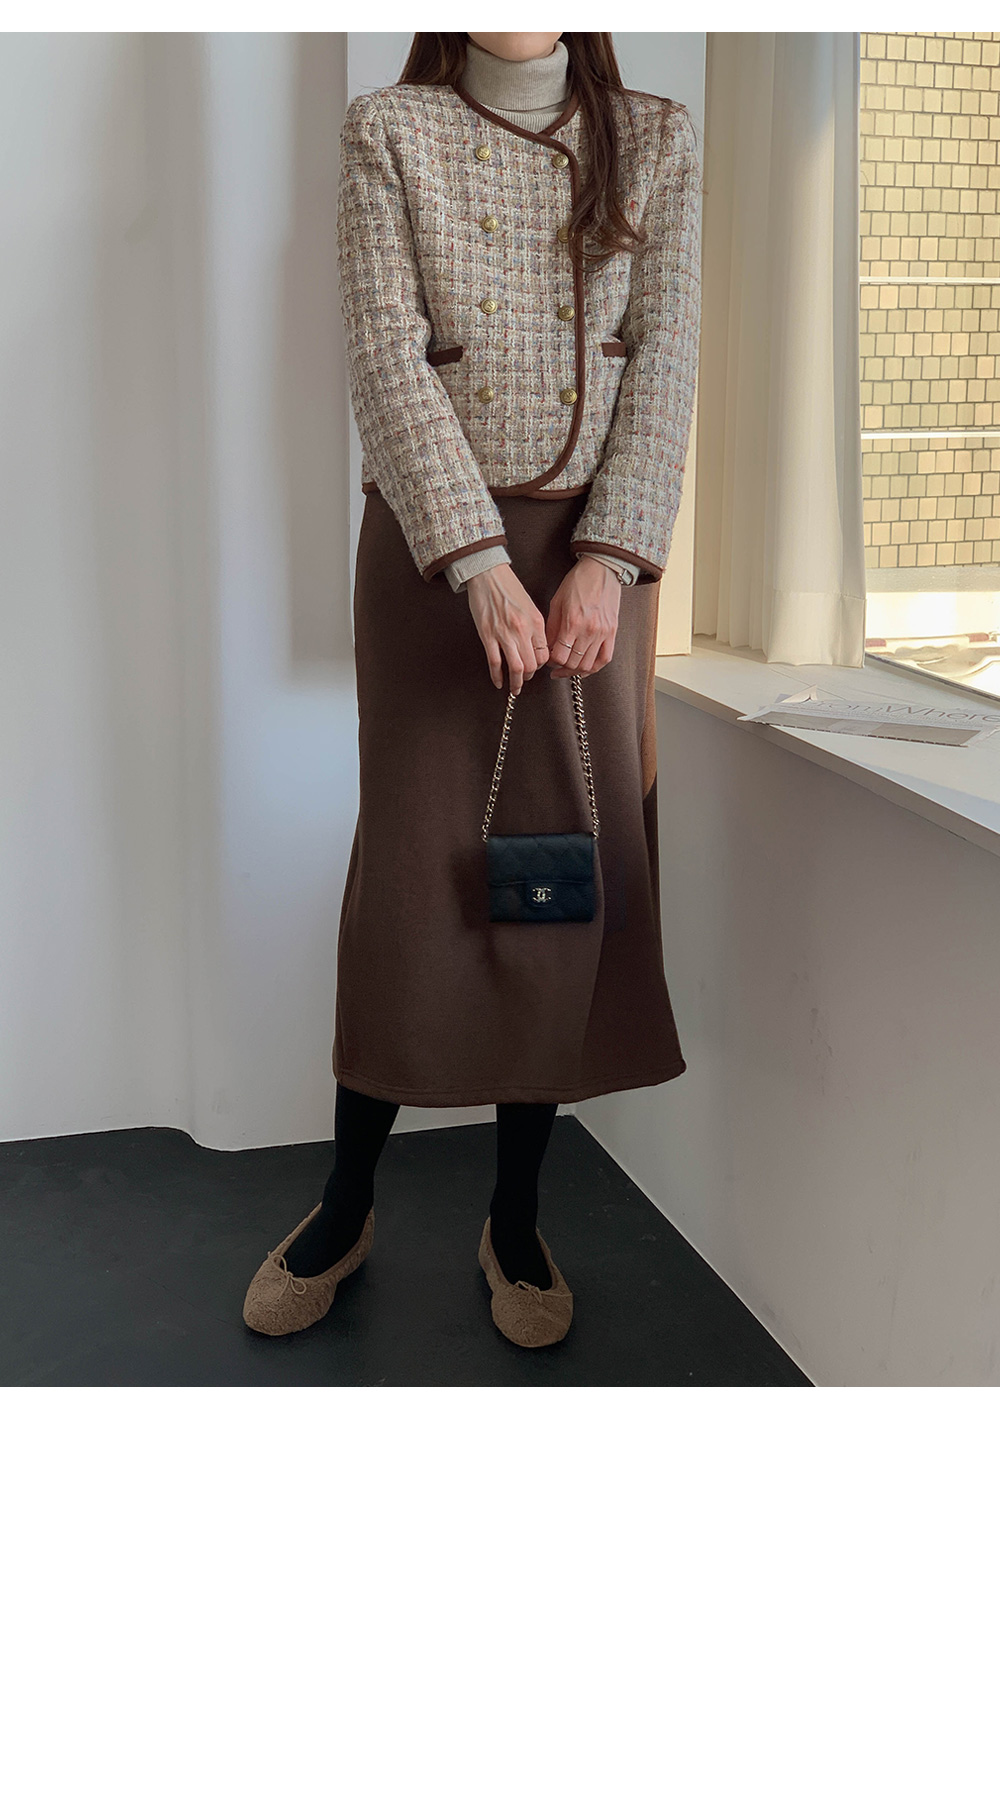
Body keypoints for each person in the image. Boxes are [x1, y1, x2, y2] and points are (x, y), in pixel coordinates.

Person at [242, 30, 702, 1349]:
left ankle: (515, 1218)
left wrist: (610, 561)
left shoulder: (656, 135)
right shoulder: (389, 129)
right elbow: (385, 358)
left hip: (595, 564)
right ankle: (346, 1203)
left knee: (552, 880)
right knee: (411, 881)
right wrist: (477, 563)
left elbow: (666, 358)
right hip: (435, 555)